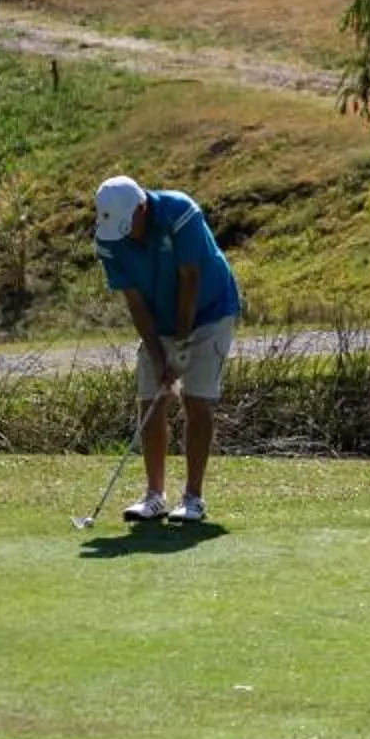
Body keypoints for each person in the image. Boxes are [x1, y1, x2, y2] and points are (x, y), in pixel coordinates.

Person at [91, 174, 241, 523]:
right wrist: (160, 356)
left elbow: (191, 279)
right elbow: (135, 301)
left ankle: (193, 498)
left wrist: (183, 344)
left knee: (195, 398)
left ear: (143, 207)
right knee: (151, 398)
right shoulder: (109, 238)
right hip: (158, 318)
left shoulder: (181, 212)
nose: (127, 233)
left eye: (131, 224)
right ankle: (154, 496)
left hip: (208, 312)